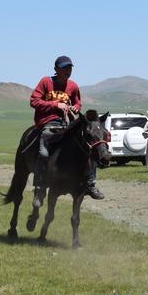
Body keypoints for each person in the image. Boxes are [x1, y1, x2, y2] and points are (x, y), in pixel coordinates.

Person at [29, 55, 103, 205]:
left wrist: (76, 107)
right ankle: (39, 188)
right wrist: (56, 105)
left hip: (67, 124)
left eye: (69, 68)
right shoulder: (46, 82)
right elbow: (34, 101)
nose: (67, 71)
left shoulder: (73, 86)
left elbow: (77, 102)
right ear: (56, 69)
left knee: (88, 147)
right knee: (43, 153)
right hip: (48, 124)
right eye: (64, 68)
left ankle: (90, 184)